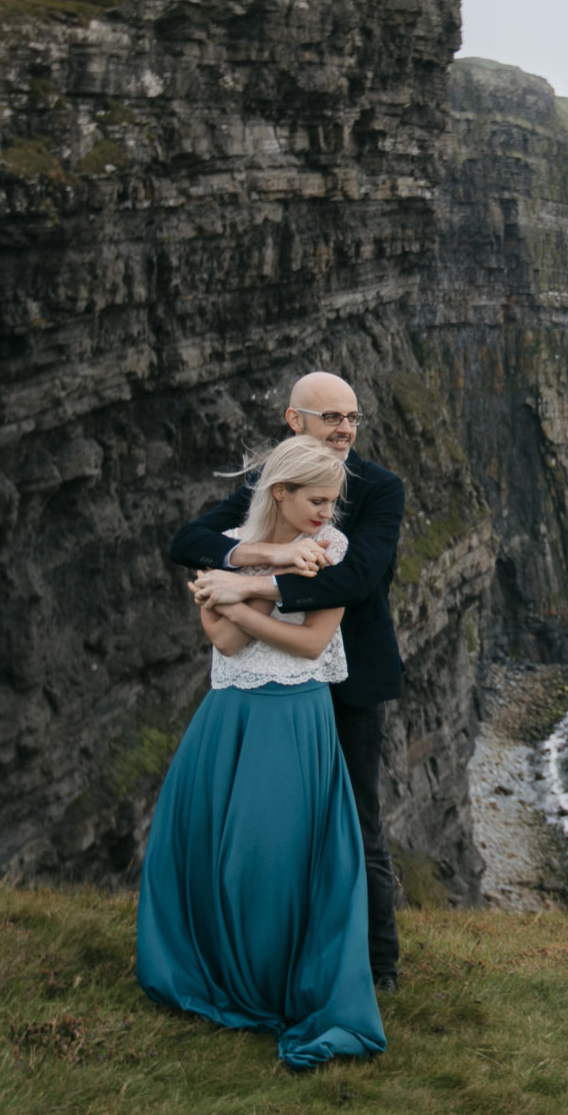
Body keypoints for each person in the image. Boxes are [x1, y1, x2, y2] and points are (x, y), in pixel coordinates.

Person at [136, 435, 385, 1066]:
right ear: (282, 492)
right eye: (317, 500)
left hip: (297, 718)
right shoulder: (231, 545)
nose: (327, 513)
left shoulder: (333, 550)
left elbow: (309, 645)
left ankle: (277, 983)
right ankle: (224, 973)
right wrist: (244, 585)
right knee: (211, 851)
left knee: (275, 859)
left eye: (332, 501)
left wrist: (241, 594)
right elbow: (221, 641)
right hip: (232, 714)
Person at [168, 371, 408, 992]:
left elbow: (354, 579)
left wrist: (245, 588)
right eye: (332, 417)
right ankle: (282, 955)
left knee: (356, 823)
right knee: (274, 828)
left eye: (353, 416)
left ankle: (378, 968)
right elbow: (189, 541)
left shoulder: (380, 489)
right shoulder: (264, 485)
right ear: (294, 420)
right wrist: (264, 558)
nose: (346, 429)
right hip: (272, 691)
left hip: (346, 680)